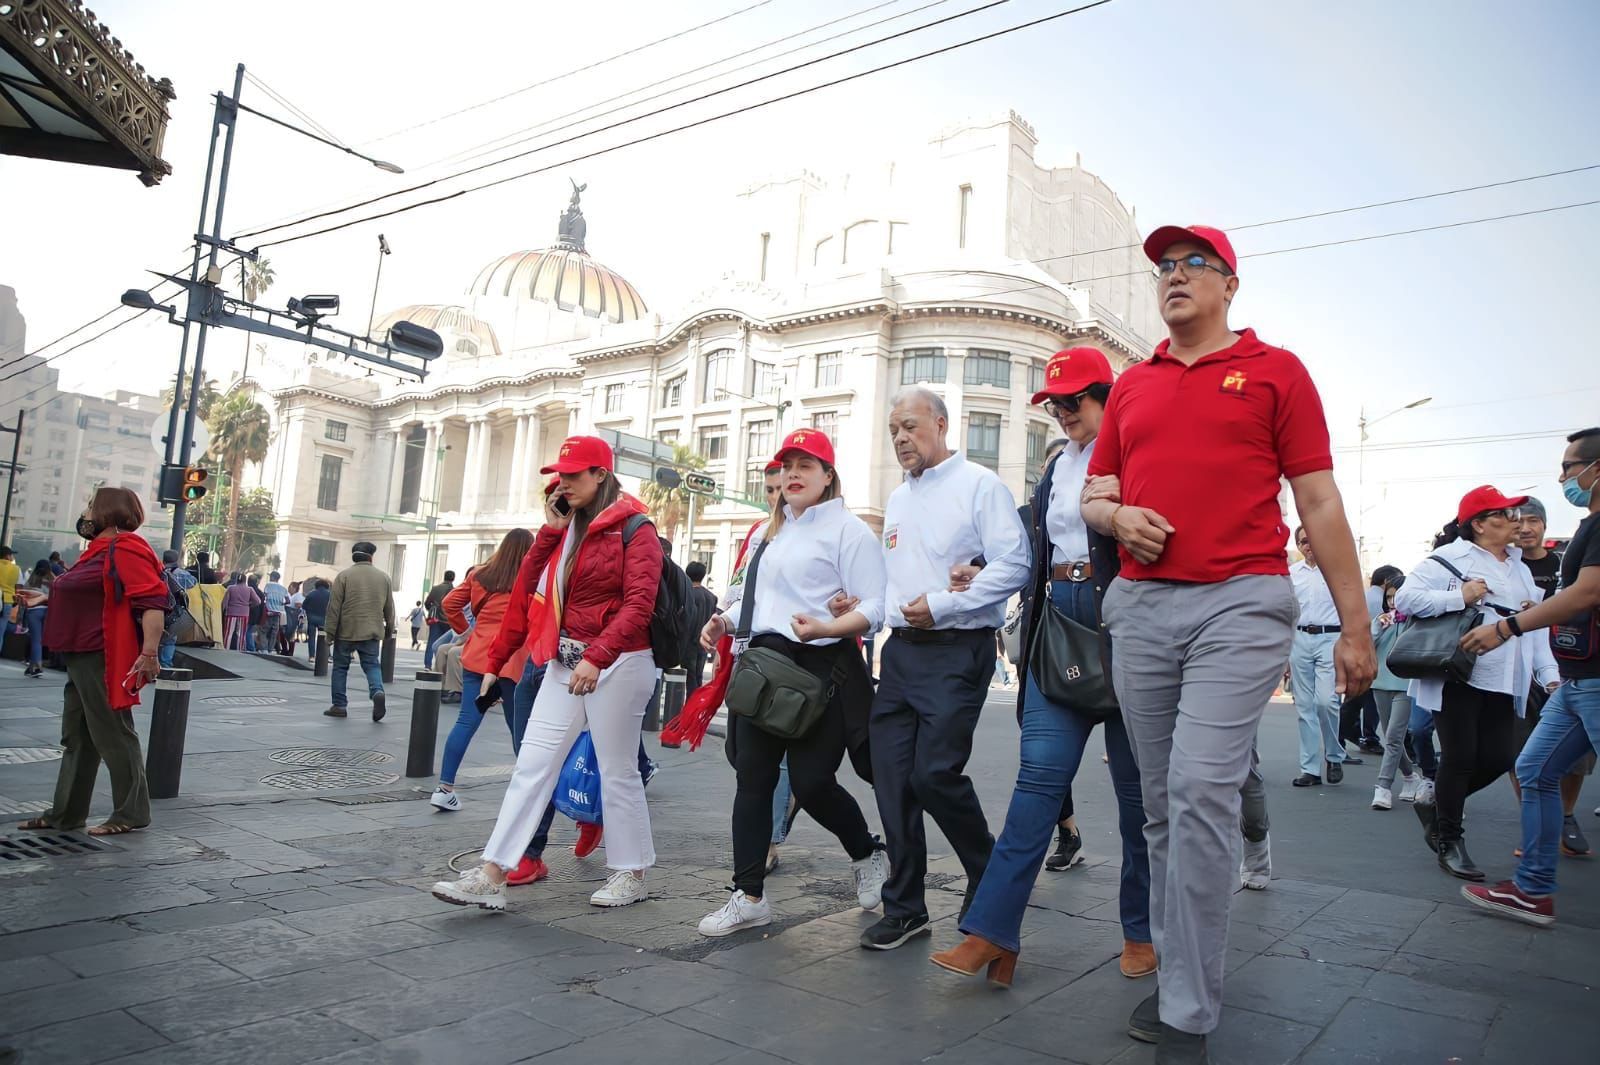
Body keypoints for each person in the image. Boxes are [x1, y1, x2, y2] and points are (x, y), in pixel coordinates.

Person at [1080, 224, 1374, 1063]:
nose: (1172, 277)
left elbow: (1318, 501)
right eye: (1163, 268)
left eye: (1191, 264)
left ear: (1229, 284)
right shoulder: (1132, 385)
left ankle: (1188, 1014)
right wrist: (1115, 515)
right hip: (1140, 610)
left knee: (1202, 786)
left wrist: (1357, 626)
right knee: (1162, 807)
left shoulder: (1277, 371)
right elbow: (1095, 496)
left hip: (1241, 603)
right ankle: (1183, 971)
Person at [931, 347, 1152, 987]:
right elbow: (1036, 547)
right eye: (1054, 404)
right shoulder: (1057, 469)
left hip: (1128, 625)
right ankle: (992, 932)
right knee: (1036, 784)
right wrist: (984, 574)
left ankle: (1141, 930)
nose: (1063, 413)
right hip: (1059, 625)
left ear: (1107, 397)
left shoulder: (1138, 452)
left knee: (1137, 797)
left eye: (1075, 400)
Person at [432, 435, 663, 912]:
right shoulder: (563, 529)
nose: (565, 483)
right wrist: (551, 533)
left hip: (619, 662)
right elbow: (526, 593)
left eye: (575, 474)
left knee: (618, 770)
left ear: (601, 474)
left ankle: (630, 871)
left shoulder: (635, 528)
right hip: (564, 662)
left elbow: (640, 603)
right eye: (561, 475)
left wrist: (598, 656)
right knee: (532, 765)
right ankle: (494, 870)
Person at [694, 429, 890, 938]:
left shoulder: (849, 531)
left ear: (829, 476)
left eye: (807, 465)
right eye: (788, 466)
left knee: (812, 783)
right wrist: (724, 621)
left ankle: (867, 852)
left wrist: (828, 627)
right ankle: (748, 894)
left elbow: (875, 608)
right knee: (752, 780)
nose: (794, 475)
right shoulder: (768, 532)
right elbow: (759, 602)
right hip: (763, 667)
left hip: (820, 673)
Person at [859, 386, 1029, 952]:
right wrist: (853, 612)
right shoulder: (899, 499)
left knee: (933, 774)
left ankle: (988, 874)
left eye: (909, 426)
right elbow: (893, 586)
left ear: (940, 422)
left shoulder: (979, 485)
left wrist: (949, 602)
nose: (901, 439)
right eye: (893, 432)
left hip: (958, 649)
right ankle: (905, 907)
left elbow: (1016, 563)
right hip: (901, 653)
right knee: (892, 782)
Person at [1460, 428, 1600, 925]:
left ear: (1595, 469)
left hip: (1594, 682)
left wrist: (1508, 626)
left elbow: (1586, 595)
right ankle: (1532, 889)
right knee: (1535, 771)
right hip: (1577, 680)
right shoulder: (1588, 525)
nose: (1564, 477)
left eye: (1569, 467)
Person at [1397, 487, 1558, 881]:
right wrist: (1460, 597)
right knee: (1459, 757)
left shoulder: (1519, 567)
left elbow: (1531, 626)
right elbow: (1406, 598)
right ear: (1480, 524)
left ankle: (1437, 804)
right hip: (1460, 673)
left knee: (1502, 757)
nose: (1516, 521)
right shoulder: (1450, 557)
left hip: (1508, 677)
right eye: (1505, 514)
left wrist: (1550, 676)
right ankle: (1449, 839)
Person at [16, 488, 164, 836]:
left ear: (106, 511)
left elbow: (152, 601)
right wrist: (49, 596)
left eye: (91, 507)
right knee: (78, 737)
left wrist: (149, 653)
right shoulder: (98, 550)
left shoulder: (126, 546)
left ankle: (131, 813)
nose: (86, 513)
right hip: (81, 654)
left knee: (113, 733)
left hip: (103, 654)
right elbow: (92, 595)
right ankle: (65, 814)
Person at [1507, 497, 1591, 856]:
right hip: (1517, 674)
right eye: (1518, 521)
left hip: (1571, 671)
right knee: (1522, 756)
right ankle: (1538, 829)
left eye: (1533, 521)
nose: (1525, 528)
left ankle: (1565, 815)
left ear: (1543, 525)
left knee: (1577, 761)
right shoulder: (1502, 566)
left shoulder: (1565, 564)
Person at [430, 530, 536, 811]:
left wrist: (465, 631)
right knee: (518, 725)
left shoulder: (479, 574)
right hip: (512, 661)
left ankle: (444, 788)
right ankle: (527, 793)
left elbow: (450, 603)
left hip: (478, 658)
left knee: (467, 720)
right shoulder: (532, 578)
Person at [1288, 526, 1351, 786]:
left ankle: (1334, 754)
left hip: (1331, 638)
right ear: (1299, 545)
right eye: (1304, 542)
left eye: (1313, 539)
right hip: (1299, 638)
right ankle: (1310, 769)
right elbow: (1285, 610)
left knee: (1326, 701)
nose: (1309, 545)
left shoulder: (1337, 571)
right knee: (1304, 706)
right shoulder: (1291, 574)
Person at [324, 541, 396, 721]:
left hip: (346, 630)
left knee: (340, 667)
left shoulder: (344, 576)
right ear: (371, 557)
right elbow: (389, 608)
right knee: (371, 664)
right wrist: (389, 632)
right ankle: (377, 691)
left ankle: (339, 705)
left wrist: (329, 634)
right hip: (372, 630)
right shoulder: (384, 577)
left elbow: (334, 608)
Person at [1369, 575, 1421, 809]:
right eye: (1388, 597)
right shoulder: (1380, 621)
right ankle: (1410, 777)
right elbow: (1367, 646)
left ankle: (1383, 787)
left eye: (1396, 596)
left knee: (1393, 737)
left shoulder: (1417, 621)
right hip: (1380, 683)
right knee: (1392, 738)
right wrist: (1376, 627)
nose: (1392, 602)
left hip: (1406, 685)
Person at [682, 561, 718, 694]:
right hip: (703, 643)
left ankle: (690, 709)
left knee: (689, 679)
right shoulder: (711, 597)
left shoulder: (688, 594)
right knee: (698, 677)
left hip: (689, 642)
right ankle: (696, 708)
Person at [158, 549, 197, 669]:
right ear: (177, 559)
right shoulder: (185, 575)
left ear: (163, 559)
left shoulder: (158, 571)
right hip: (174, 611)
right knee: (170, 638)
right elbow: (194, 584)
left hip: (158, 609)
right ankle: (166, 665)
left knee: (153, 636)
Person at [18, 559, 53, 677]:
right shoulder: (53, 581)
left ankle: (37, 667)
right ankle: (31, 667)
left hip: (33, 612)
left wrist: (21, 618)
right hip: (48, 612)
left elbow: (24, 599)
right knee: (40, 641)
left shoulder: (31, 581)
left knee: (36, 641)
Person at [423, 570, 457, 669]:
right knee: (447, 644)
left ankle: (427, 664)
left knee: (431, 642)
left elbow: (427, 603)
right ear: (453, 578)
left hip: (436, 620)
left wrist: (433, 609)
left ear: (444, 577)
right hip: (449, 621)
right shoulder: (455, 590)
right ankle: (442, 665)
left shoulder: (435, 588)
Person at [221, 572, 257, 651]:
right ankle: (239, 649)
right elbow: (258, 601)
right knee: (241, 634)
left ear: (237, 580)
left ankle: (225, 648)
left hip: (231, 613)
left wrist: (223, 610)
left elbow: (225, 601)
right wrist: (249, 604)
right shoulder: (249, 589)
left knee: (228, 633)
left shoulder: (230, 588)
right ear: (245, 581)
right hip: (244, 614)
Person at [301, 578, 331, 659]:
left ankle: (312, 656)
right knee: (325, 637)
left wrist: (309, 612)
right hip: (324, 619)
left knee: (311, 637)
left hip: (312, 619)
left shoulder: (311, 594)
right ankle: (327, 656)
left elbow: (304, 606)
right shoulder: (330, 595)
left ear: (316, 586)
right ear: (327, 586)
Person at [259, 571, 288, 654]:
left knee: (263, 630)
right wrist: (281, 604)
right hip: (278, 613)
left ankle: (264, 648)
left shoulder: (268, 585)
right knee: (274, 632)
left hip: (269, 612)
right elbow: (288, 601)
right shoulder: (283, 589)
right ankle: (270, 650)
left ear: (272, 577)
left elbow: (264, 596)